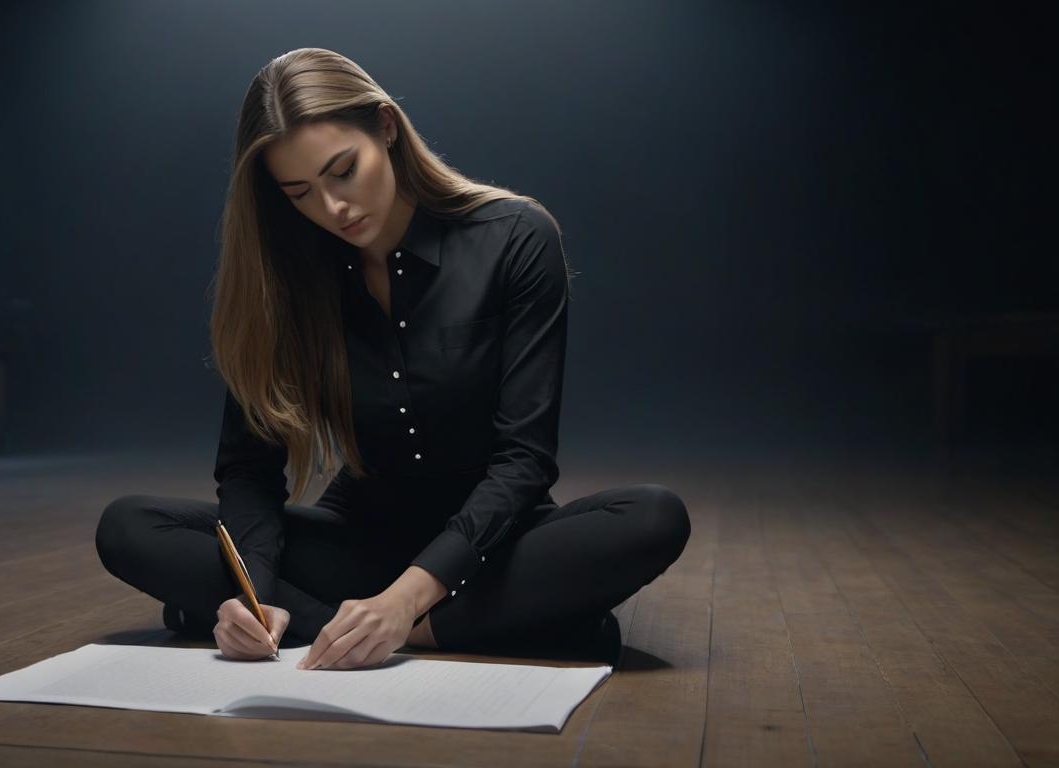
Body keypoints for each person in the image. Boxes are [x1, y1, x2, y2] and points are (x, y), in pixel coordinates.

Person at [95, 47, 690, 671]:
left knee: (651, 517)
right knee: (130, 527)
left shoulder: (516, 237)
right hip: (356, 545)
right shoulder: (288, 277)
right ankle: (501, 627)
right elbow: (248, 472)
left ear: (386, 127)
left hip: (491, 547)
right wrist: (253, 597)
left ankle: (386, 627)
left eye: (343, 171)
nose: (332, 209)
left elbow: (524, 462)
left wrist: (405, 603)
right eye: (299, 192)